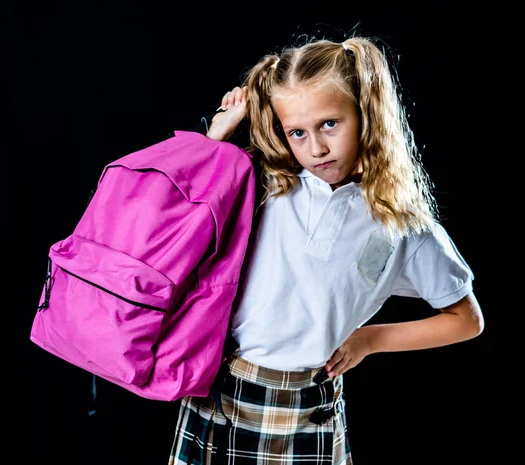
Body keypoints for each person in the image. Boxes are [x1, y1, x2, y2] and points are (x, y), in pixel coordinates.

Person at [168, 35, 484, 465]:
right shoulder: (266, 185)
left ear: (365, 114)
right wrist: (216, 137)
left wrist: (370, 340)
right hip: (223, 397)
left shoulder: (401, 224)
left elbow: (466, 320)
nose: (315, 148)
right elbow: (180, 224)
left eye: (330, 124)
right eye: (297, 132)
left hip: (308, 413)